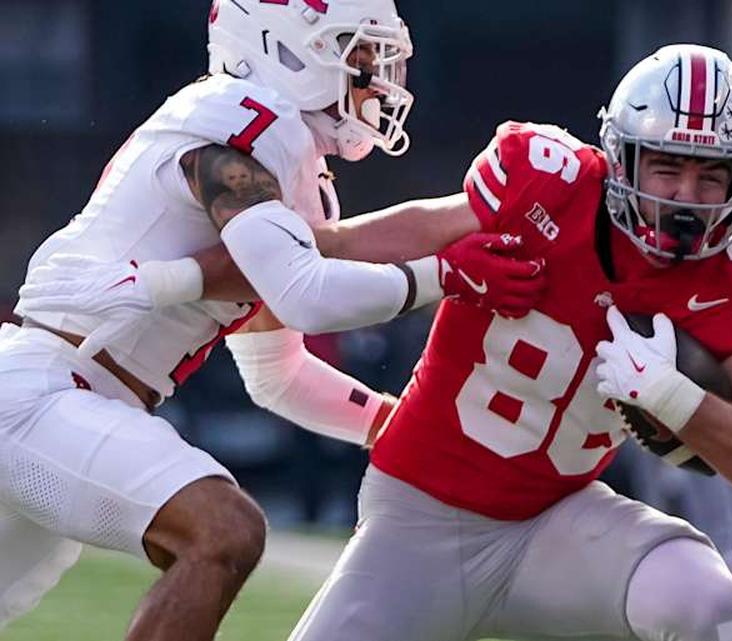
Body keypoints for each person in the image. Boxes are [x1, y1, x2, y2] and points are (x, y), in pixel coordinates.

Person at [0, 2, 542, 639]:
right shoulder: (244, 120)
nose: (373, 76)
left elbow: (278, 373)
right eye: (356, 52)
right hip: (45, 392)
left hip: (72, 398)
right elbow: (308, 292)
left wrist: (392, 425)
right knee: (223, 530)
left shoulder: (278, 163)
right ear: (283, 45)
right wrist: (443, 275)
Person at [273, 44, 732, 641]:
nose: (685, 195)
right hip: (419, 519)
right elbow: (399, 233)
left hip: (555, 526)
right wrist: (268, 253)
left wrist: (674, 397)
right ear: (623, 160)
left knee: (701, 596)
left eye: (710, 175)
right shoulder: (547, 185)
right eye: (666, 167)